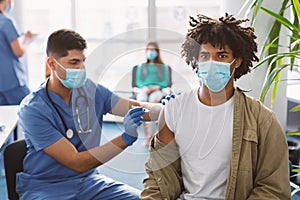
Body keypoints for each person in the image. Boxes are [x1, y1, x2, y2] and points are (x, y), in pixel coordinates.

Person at [141, 13, 291, 199]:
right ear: (196, 60)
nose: (212, 63)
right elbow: (158, 179)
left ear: (237, 61)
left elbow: (273, 188)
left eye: (221, 55)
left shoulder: (262, 120)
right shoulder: (172, 111)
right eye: (205, 55)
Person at [16, 29, 162, 199]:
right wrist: (125, 139)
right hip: (46, 187)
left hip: (88, 182)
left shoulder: (91, 91)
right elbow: (76, 162)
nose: (81, 68)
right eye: (73, 62)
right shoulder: (33, 109)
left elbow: (137, 107)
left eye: (82, 61)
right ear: (52, 64)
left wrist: (170, 108)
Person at [135, 41, 171, 145]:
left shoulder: (162, 66)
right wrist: (144, 87)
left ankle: (152, 134)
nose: (150, 52)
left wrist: (157, 87)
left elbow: (165, 82)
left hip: (157, 90)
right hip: (144, 89)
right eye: (149, 50)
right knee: (141, 104)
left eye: (153, 50)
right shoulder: (142, 66)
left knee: (152, 103)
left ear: (157, 52)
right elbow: (138, 81)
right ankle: (147, 134)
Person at [0, 0, 33, 105]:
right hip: (12, 82)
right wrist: (27, 40)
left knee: (4, 117)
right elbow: (19, 52)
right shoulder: (6, 22)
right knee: (28, 111)